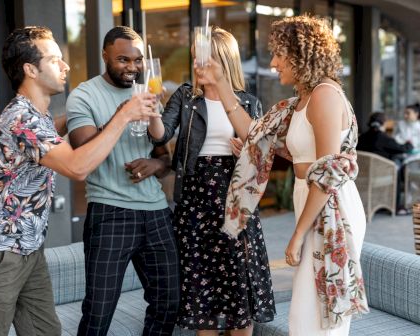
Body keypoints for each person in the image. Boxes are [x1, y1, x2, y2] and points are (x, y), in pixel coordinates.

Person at [0, 26, 158, 336]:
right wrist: (124, 115)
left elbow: (62, 129)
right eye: (55, 59)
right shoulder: (21, 118)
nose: (66, 66)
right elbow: (77, 167)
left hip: (30, 250)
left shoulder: (39, 116)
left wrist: (93, 110)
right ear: (30, 69)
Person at [193, 16, 369, 335]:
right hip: (311, 200)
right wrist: (219, 83)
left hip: (331, 206)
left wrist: (298, 234)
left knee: (317, 316)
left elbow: (327, 173)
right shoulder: (298, 102)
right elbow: (254, 133)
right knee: (307, 315)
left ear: (300, 55)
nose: (273, 62)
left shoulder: (324, 96)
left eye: (279, 54)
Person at [148, 26, 275, 336]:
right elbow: (161, 134)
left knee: (238, 291)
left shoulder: (247, 102)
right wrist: (151, 109)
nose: (196, 66)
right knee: (203, 295)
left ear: (224, 62)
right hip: (196, 201)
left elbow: (262, 159)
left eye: (203, 60)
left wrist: (245, 152)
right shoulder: (186, 96)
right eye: (194, 59)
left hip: (234, 201)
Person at [66, 26, 179, 336]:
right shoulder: (84, 95)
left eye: (137, 60)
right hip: (110, 212)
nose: (132, 67)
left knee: (169, 302)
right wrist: (122, 115)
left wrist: (155, 163)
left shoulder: (146, 94)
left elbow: (166, 157)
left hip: (156, 212)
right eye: (122, 59)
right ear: (105, 56)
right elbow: (82, 150)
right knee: (99, 311)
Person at [358, 112, 414, 215]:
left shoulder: (361, 138)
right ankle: (396, 207)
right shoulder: (383, 138)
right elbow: (403, 149)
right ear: (384, 123)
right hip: (379, 176)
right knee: (395, 169)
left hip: (361, 176)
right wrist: (409, 143)